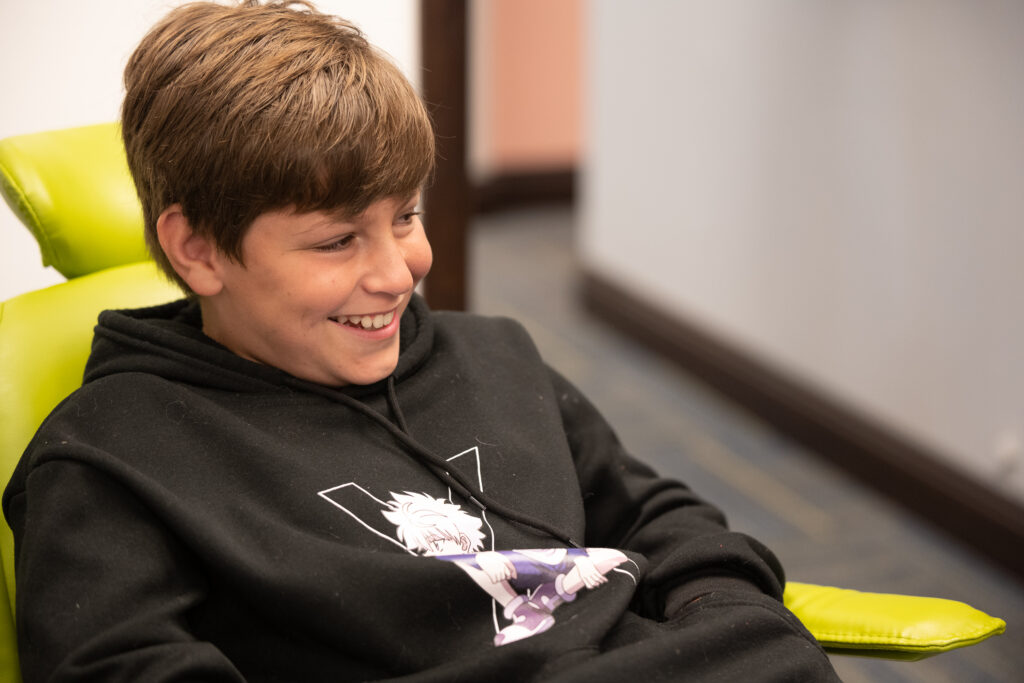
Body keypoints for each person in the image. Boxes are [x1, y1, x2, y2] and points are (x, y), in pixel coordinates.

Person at [2, 1, 840, 680]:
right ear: (197, 249)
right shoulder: (111, 456)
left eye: (404, 215)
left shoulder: (493, 356)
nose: (400, 270)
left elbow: (657, 512)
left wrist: (724, 611)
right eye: (337, 241)